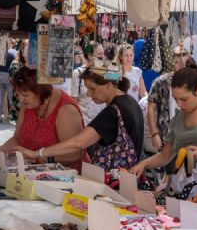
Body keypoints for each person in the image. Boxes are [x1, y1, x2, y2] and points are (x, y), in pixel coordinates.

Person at [16, 61, 144, 174]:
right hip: (128, 180)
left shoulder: (113, 112)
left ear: (109, 85)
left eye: (92, 89)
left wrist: (37, 154)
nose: (88, 94)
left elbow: (78, 143)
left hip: (116, 184)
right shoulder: (131, 103)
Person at [130, 65, 197, 191]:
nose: (179, 104)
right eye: (175, 99)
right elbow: (166, 155)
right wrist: (143, 164)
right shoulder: (179, 117)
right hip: (182, 181)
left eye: (184, 99)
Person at [0, 67, 88, 171]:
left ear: (40, 91)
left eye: (25, 95)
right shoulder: (28, 105)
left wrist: (39, 158)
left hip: (66, 176)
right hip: (32, 171)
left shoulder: (66, 110)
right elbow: (17, 139)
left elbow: (74, 154)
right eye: (18, 94)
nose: (21, 99)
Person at [146, 46, 192, 154]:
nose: (181, 66)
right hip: (166, 135)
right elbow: (150, 108)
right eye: (177, 62)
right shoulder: (161, 82)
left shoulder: (193, 83)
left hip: (188, 135)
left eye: (184, 63)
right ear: (172, 62)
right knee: (168, 166)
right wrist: (154, 133)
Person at [70, 42, 105, 126]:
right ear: (89, 55)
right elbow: (73, 101)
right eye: (100, 54)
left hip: (102, 123)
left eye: (103, 53)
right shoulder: (77, 73)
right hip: (84, 124)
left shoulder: (106, 72)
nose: (103, 57)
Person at [0, 40, 17, 123]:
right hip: (8, 75)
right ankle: (12, 114)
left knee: (0, 96)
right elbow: (14, 66)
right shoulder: (11, 55)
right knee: (11, 96)